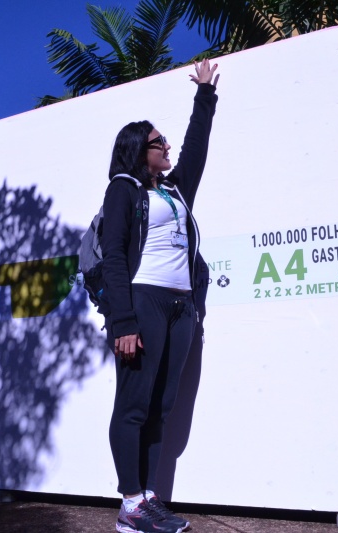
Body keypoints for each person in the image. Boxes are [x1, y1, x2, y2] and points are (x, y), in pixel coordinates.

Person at [101, 58, 219, 533]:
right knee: (133, 405)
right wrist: (123, 322)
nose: (167, 146)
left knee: (161, 406)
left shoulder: (174, 189)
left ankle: (148, 498)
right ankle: (129, 502)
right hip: (143, 301)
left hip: (181, 306)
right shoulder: (123, 190)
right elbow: (112, 258)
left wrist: (205, 96)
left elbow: (196, 150)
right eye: (158, 142)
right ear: (138, 151)